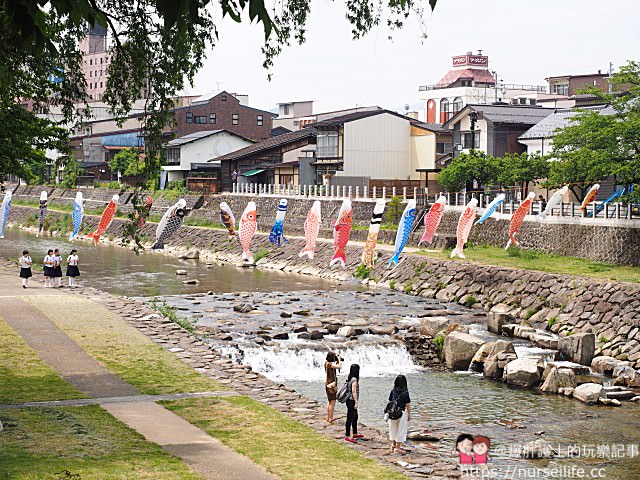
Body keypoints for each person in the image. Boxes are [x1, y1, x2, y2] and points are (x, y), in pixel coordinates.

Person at [388, 374, 411, 453]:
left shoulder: (393, 391)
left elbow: (390, 401)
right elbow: (407, 404)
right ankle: (397, 448)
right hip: (401, 413)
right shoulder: (405, 393)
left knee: (393, 429)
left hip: (392, 412)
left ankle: (393, 444)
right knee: (401, 430)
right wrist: (409, 414)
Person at [344, 363, 362, 443]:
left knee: (355, 417)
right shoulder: (354, 380)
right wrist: (356, 402)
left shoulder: (350, 377)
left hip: (350, 401)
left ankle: (355, 433)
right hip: (351, 401)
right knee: (350, 418)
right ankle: (347, 435)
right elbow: (354, 391)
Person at [324, 352, 342, 423]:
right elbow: (340, 366)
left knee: (329, 401)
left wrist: (337, 361)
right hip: (332, 384)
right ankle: (330, 418)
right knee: (333, 402)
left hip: (327, 383)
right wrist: (339, 360)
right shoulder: (330, 364)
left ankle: (328, 417)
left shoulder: (326, 363)